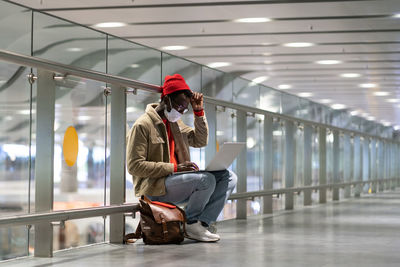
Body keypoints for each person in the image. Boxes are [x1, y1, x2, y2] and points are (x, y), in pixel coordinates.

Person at [126, 74, 237, 242]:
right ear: (166, 100)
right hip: (155, 188)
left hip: (176, 183)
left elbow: (200, 141)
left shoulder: (175, 124)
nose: (180, 112)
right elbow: (135, 166)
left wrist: (198, 113)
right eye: (179, 106)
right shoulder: (143, 125)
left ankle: (202, 223)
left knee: (229, 177)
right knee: (205, 180)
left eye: (184, 109)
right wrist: (175, 168)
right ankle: (191, 223)